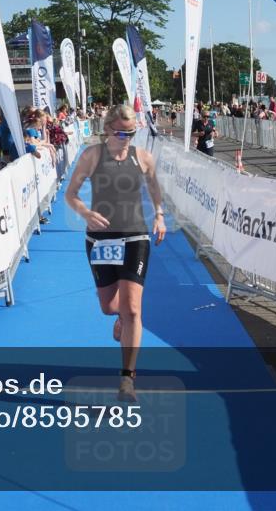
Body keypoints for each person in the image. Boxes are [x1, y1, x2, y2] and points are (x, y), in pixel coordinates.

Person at [64, 104, 166, 403]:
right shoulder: (92, 155)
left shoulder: (143, 158)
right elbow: (70, 194)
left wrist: (159, 215)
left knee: (133, 309)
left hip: (135, 236)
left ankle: (127, 378)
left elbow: (154, 187)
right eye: (121, 132)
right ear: (108, 129)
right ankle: (119, 318)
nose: (126, 138)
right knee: (110, 307)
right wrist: (85, 212)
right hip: (100, 239)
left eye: (132, 133)